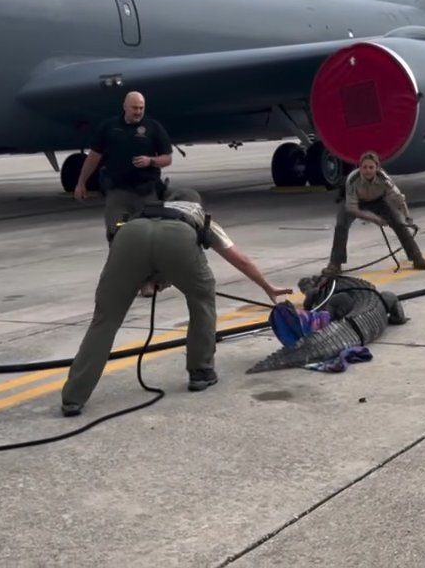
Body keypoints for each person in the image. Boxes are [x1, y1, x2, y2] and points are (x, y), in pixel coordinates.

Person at [60, 187, 293, 416]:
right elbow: (239, 259)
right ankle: (200, 372)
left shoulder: (146, 211)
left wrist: (150, 278)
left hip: (130, 235)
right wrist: (267, 286)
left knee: (105, 320)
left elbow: (136, 259)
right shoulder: (196, 213)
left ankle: (73, 397)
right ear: (197, 204)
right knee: (202, 298)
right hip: (179, 238)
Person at [75, 91, 174, 242]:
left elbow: (167, 159)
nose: (138, 112)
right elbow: (93, 157)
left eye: (141, 108)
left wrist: (151, 161)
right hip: (118, 194)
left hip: (146, 192)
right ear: (125, 107)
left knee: (151, 237)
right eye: (135, 108)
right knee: (117, 235)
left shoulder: (153, 127)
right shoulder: (109, 127)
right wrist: (81, 183)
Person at [323, 150, 425, 275]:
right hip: (355, 203)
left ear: (377, 168)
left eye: (371, 167)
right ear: (359, 167)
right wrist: (375, 219)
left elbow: (399, 199)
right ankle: (335, 264)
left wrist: (408, 218)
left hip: (378, 201)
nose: (367, 170)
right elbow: (353, 209)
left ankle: (417, 258)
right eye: (364, 167)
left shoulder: (384, 179)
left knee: (398, 224)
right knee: (341, 225)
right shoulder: (352, 180)